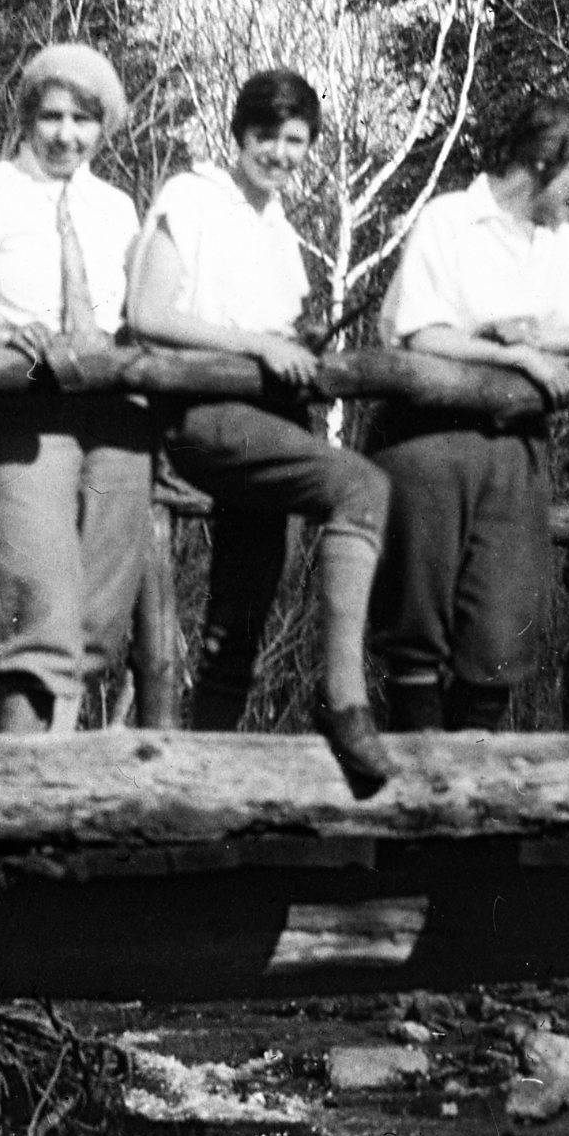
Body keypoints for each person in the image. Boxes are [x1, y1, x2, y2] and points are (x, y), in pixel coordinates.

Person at [124, 69, 396, 788]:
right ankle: (342, 698)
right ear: (238, 135)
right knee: (359, 486)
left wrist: (293, 347)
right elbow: (149, 314)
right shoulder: (193, 197)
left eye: (295, 141)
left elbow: (274, 331)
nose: (279, 153)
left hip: (272, 418)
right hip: (204, 416)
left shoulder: (278, 228)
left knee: (239, 616)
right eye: (266, 136)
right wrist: (256, 346)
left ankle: (200, 782)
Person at [373, 95, 569, 732]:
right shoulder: (452, 219)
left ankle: (480, 819)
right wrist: (513, 357)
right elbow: (420, 333)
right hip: (427, 444)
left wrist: (533, 337)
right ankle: (415, 809)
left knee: (499, 633)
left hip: (518, 449)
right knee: (416, 633)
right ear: (545, 161)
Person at [0, 44, 148, 734]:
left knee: (100, 622)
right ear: (27, 117)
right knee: (37, 613)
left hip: (115, 421)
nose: (65, 135)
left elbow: (140, 314)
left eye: (83, 120)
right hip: (22, 416)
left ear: (102, 127)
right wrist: (7, 338)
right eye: (51, 116)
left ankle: (58, 809)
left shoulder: (114, 206)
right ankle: (16, 818)